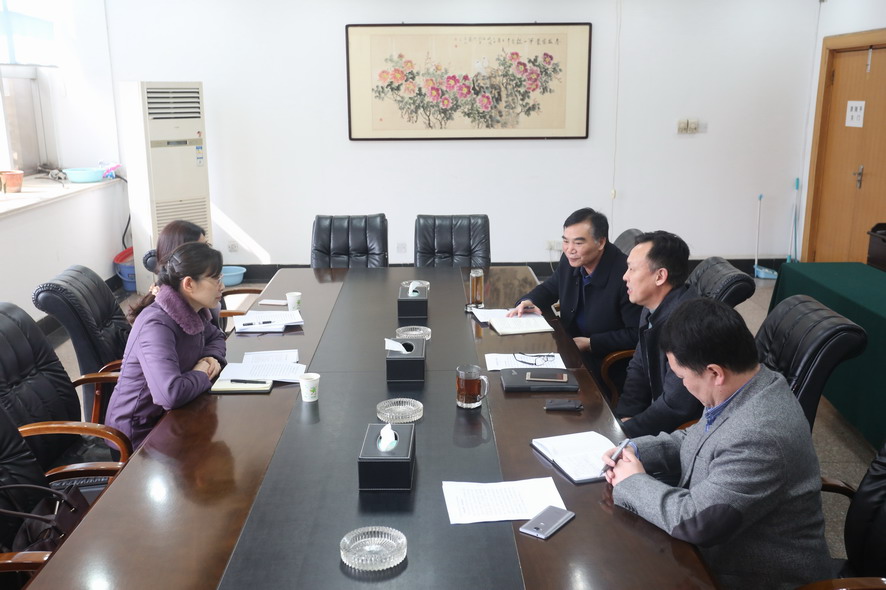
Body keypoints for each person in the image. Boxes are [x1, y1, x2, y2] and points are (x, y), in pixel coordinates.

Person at [602, 298, 833, 590]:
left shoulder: (760, 435)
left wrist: (632, 482)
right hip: (714, 551)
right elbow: (695, 438)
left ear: (714, 373)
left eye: (682, 376)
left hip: (754, 578)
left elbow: (697, 522)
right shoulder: (747, 386)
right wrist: (636, 449)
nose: (683, 384)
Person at [107, 241, 227, 448]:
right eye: (216, 279)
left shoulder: (191, 309)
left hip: (175, 415)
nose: (222, 286)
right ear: (189, 284)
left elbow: (216, 337)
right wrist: (202, 373)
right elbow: (170, 394)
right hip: (139, 435)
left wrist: (210, 358)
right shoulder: (156, 325)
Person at [507, 208, 641, 389]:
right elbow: (551, 287)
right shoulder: (571, 260)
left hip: (602, 362)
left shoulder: (625, 276)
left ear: (601, 242)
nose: (570, 250)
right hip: (569, 348)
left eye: (578, 243)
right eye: (565, 241)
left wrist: (590, 343)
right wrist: (529, 301)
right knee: (518, 376)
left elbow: (636, 334)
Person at [616, 231, 701, 436]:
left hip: (680, 433)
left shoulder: (688, 327)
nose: (625, 276)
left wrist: (626, 432)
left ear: (660, 276)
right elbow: (638, 367)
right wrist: (625, 416)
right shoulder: (652, 306)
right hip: (655, 418)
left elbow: (675, 406)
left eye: (632, 269)